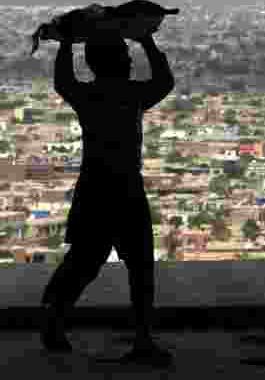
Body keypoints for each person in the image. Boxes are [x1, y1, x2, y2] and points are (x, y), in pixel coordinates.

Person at [39, 23, 175, 368]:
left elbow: (63, 82)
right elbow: (164, 81)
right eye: (126, 55)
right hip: (126, 187)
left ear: (95, 64)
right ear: (121, 62)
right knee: (140, 266)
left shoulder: (88, 97)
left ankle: (53, 317)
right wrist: (146, 39)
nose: (130, 60)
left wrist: (66, 45)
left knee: (84, 261)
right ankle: (142, 339)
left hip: (95, 186)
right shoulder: (132, 95)